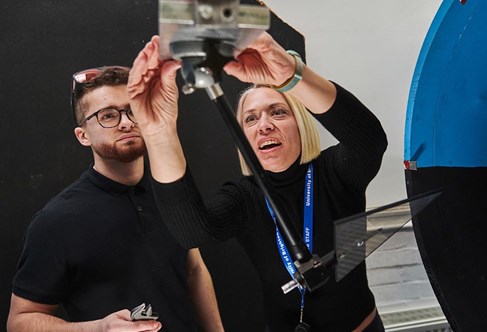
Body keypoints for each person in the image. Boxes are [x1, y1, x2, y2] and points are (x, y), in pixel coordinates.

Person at [128, 31, 388, 332]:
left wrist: (292, 75)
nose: (263, 125)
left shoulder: (334, 173)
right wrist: (158, 134)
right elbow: (193, 231)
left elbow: (369, 141)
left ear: (300, 123)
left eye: (278, 112)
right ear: (244, 138)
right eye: (250, 119)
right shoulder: (245, 196)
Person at [7, 66, 224, 332]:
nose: (125, 122)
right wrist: (99, 328)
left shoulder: (172, 192)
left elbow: (194, 270)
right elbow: (20, 321)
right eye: (107, 115)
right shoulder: (56, 221)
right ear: (83, 135)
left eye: (133, 110)